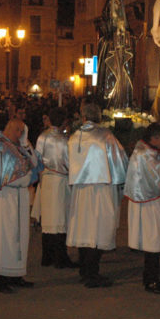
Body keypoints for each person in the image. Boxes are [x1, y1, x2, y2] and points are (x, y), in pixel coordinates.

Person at [67, 103, 129, 288]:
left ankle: (85, 270)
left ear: (84, 117)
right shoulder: (105, 136)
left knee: (85, 229)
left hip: (80, 189)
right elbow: (120, 162)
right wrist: (122, 183)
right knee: (98, 229)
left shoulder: (73, 137)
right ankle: (92, 273)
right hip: (101, 188)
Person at [0, 119, 44, 293]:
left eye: (22, 131)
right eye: (18, 131)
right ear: (9, 128)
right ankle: (0, 279)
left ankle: (16, 275)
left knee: (20, 236)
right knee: (5, 236)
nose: (20, 134)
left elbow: (35, 163)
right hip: (6, 195)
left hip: (21, 196)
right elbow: (6, 171)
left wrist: (26, 144)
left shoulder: (18, 145)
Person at [124, 123, 160, 294]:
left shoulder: (145, 151)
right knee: (152, 242)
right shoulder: (145, 155)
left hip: (148, 201)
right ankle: (151, 281)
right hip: (147, 203)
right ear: (153, 138)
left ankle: (152, 278)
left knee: (153, 242)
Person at [35, 107, 78, 269]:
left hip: (45, 179)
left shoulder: (42, 136)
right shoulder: (64, 140)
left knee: (47, 218)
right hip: (60, 180)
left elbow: (37, 159)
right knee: (60, 218)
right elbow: (68, 163)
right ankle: (61, 258)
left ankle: (47, 255)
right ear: (64, 121)